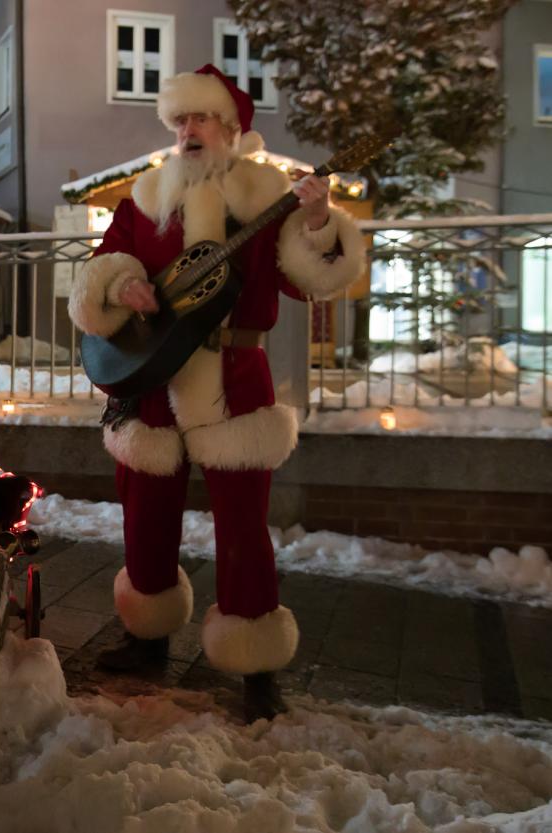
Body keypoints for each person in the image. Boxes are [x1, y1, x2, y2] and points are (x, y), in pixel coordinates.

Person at [69, 65, 366, 722]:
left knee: (243, 528)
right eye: (180, 121)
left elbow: (309, 278)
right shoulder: (145, 197)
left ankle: (256, 663)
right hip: (155, 383)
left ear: (233, 129)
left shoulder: (268, 196)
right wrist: (122, 286)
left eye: (201, 119)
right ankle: (145, 635)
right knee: (144, 512)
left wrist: (319, 221)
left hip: (234, 379)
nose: (188, 132)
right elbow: (98, 269)